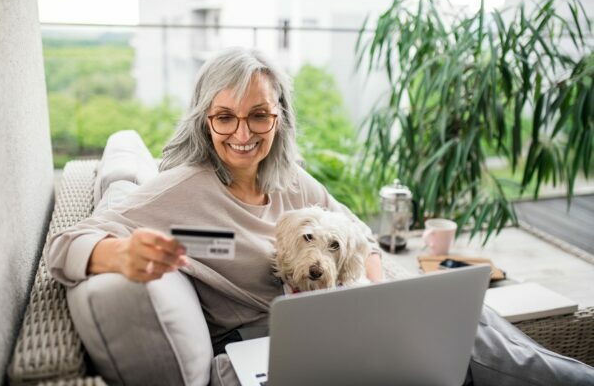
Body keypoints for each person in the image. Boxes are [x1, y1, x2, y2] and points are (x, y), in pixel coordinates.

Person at [45, 48, 594, 386]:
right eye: (225, 117)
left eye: (259, 114)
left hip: (349, 314)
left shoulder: (291, 181)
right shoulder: (182, 190)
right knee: (476, 344)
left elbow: (361, 239)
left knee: (471, 314)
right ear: (205, 120)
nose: (243, 133)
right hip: (277, 339)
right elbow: (66, 242)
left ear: (279, 116)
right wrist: (119, 253)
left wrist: (385, 300)